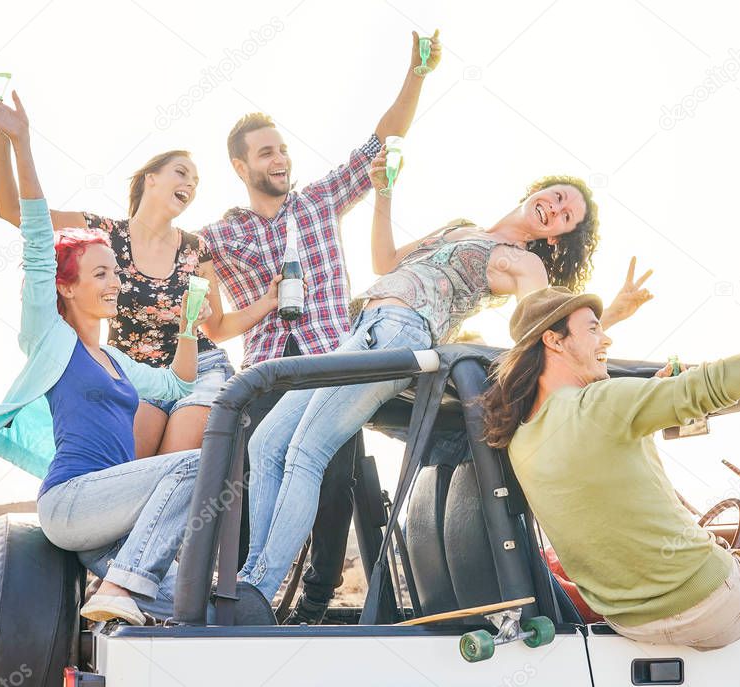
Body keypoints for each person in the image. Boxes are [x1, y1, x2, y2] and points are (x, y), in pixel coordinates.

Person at [238, 137, 654, 603]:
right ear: (540, 190)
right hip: (360, 330)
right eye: (558, 196)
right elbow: (387, 262)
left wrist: (607, 318)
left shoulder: (524, 262)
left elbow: (543, 325)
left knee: (306, 453)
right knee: (266, 442)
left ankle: (257, 588)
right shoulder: (462, 226)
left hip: (401, 335)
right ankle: (249, 583)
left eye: (566, 216)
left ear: (557, 236)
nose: (556, 209)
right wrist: (385, 194)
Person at [482, 278, 740, 649]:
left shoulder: (521, 436)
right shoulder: (602, 404)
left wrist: (654, 396)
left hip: (632, 626)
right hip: (710, 609)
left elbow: (594, 456)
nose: (605, 340)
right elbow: (719, 381)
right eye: (593, 329)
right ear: (553, 341)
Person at [201, 31, 443, 623]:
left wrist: (416, 72)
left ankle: (313, 605)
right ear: (241, 166)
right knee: (251, 481)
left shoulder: (316, 203)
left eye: (281, 149)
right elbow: (203, 309)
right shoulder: (222, 234)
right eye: (265, 153)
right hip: (265, 375)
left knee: (336, 484)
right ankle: (242, 595)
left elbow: (383, 141)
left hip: (333, 365)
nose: (279, 160)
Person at [0, 90, 212, 625]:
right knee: (197, 465)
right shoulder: (50, 338)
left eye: (115, 273)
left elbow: (179, 387)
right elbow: (32, 229)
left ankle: (116, 592)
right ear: (67, 287)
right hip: (72, 502)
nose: (116, 283)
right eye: (101, 274)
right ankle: (120, 584)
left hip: (111, 522)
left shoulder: (117, 363)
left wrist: (190, 325)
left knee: (197, 608)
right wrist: (17, 142)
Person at [0, 83, 280, 459]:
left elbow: (214, 327)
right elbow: (15, 212)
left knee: (174, 465)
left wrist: (266, 303)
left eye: (196, 183)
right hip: (135, 375)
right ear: (150, 178)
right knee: (130, 466)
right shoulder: (103, 234)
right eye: (181, 173)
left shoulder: (195, 248)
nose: (190, 185)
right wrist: (1, 141)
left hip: (198, 370)